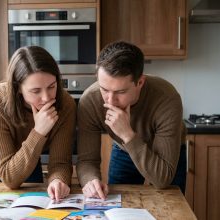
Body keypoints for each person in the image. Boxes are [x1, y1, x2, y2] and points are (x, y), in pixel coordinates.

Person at [0, 46, 76, 200]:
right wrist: (39, 131)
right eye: (36, 91)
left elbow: (60, 162)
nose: (46, 98)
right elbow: (10, 178)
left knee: (32, 208)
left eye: (51, 87)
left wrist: (58, 180)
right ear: (18, 88)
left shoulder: (66, 104)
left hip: (28, 151)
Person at [76, 41, 186, 199]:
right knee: (119, 204)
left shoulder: (167, 98)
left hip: (167, 152)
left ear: (140, 82)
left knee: (171, 202)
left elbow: (162, 180)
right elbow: (87, 160)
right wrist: (90, 181)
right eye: (104, 89)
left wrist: (127, 134)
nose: (110, 101)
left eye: (120, 92)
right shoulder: (90, 101)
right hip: (124, 149)